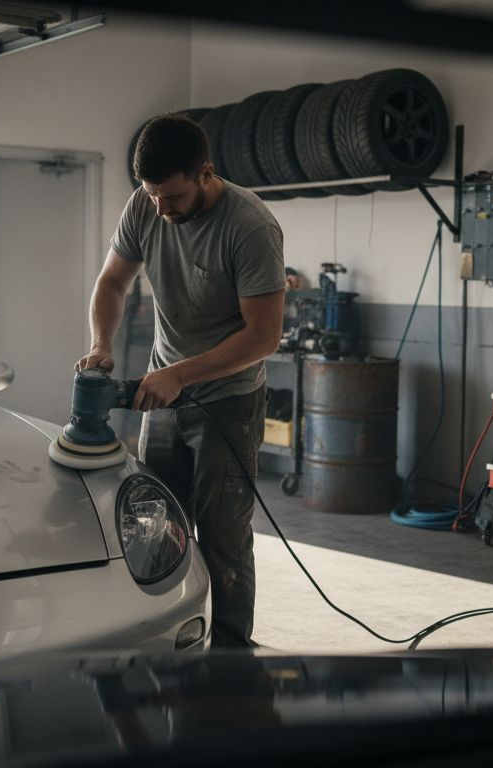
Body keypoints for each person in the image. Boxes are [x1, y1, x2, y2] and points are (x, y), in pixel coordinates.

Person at [76, 113, 285, 648]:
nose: (161, 209)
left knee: (222, 537)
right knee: (152, 526)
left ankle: (233, 655)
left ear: (206, 173)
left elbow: (264, 336)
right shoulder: (144, 206)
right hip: (165, 397)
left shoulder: (250, 227)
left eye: (172, 197)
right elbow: (111, 282)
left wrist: (179, 374)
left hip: (229, 400)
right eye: (152, 197)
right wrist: (101, 345)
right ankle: (166, 636)